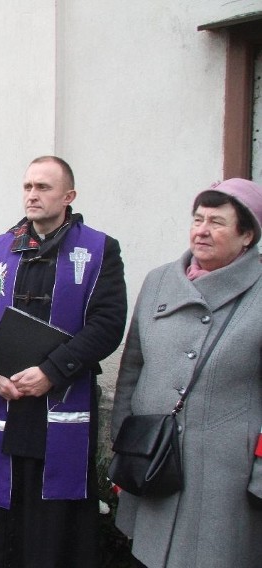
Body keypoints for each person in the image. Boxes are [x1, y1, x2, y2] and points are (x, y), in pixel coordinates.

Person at [0, 156, 127, 568]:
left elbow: (107, 324)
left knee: (52, 511)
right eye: (27, 187)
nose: (33, 195)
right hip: (6, 395)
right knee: (0, 502)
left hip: (60, 398)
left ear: (68, 196)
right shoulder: (3, 246)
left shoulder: (98, 248)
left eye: (44, 188)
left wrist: (53, 371)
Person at [111, 178, 262, 568]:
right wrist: (123, 448)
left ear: (246, 235)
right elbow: (132, 369)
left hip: (225, 473)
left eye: (217, 222)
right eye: (198, 219)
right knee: (148, 555)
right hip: (154, 460)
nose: (202, 230)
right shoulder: (160, 280)